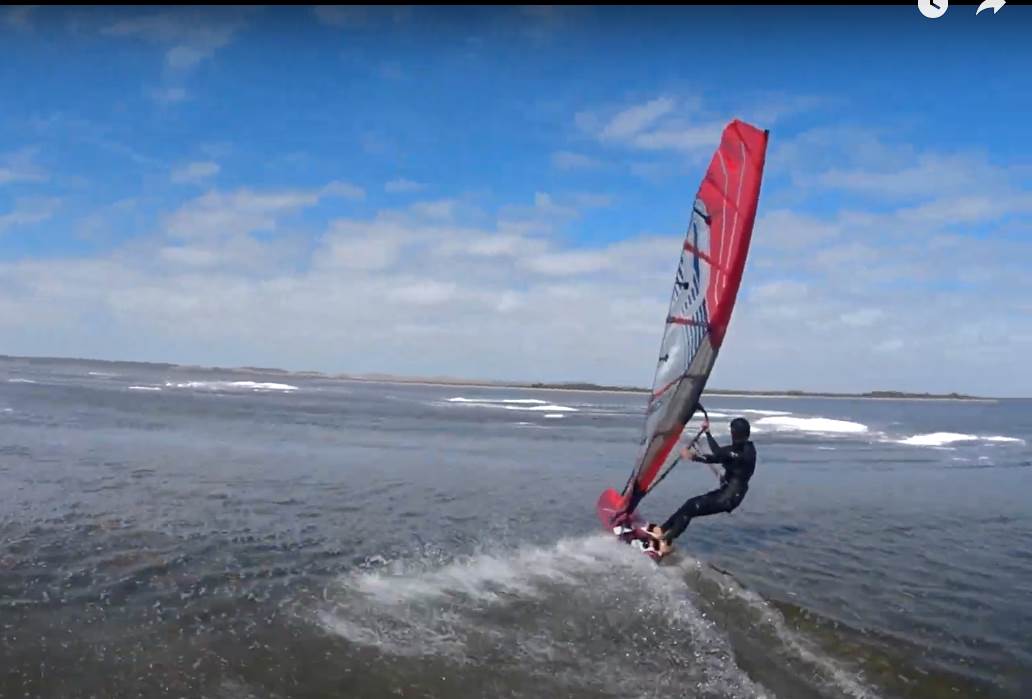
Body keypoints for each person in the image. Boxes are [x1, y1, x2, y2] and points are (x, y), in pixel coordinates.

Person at [645, 416, 756, 556]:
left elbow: (717, 456)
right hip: (727, 492)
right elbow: (719, 452)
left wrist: (693, 457)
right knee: (689, 504)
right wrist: (708, 433)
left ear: (735, 433)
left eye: (732, 432)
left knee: (692, 507)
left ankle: (666, 543)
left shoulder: (742, 454)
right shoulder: (746, 447)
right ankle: (662, 529)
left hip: (729, 497)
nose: (731, 434)